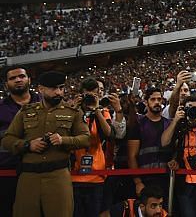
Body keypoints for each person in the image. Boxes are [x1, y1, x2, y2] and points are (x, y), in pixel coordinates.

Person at [1, 70, 90, 217]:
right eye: (53, 88)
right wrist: (28, 145)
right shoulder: (25, 112)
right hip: (28, 176)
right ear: (41, 89)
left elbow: (86, 138)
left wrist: (63, 140)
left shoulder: (72, 112)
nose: (58, 92)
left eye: (61, 88)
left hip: (58, 175)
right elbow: (7, 139)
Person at [71, 77, 115, 217]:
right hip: (74, 176)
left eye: (94, 94)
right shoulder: (72, 111)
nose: (90, 97)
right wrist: (75, 108)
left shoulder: (102, 111)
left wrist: (96, 110)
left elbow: (109, 134)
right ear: (81, 95)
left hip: (96, 175)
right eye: (87, 94)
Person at [0, 66, 39, 216]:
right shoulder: (1, 109)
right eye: (12, 78)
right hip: (7, 170)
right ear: (6, 84)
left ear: (29, 79)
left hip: (39, 169)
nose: (18, 80)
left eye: (21, 76)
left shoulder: (45, 104)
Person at [127, 87, 172, 201]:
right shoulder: (138, 124)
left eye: (159, 99)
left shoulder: (168, 124)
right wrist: (137, 182)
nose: (157, 102)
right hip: (145, 180)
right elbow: (132, 156)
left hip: (166, 178)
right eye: (153, 99)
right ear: (146, 102)